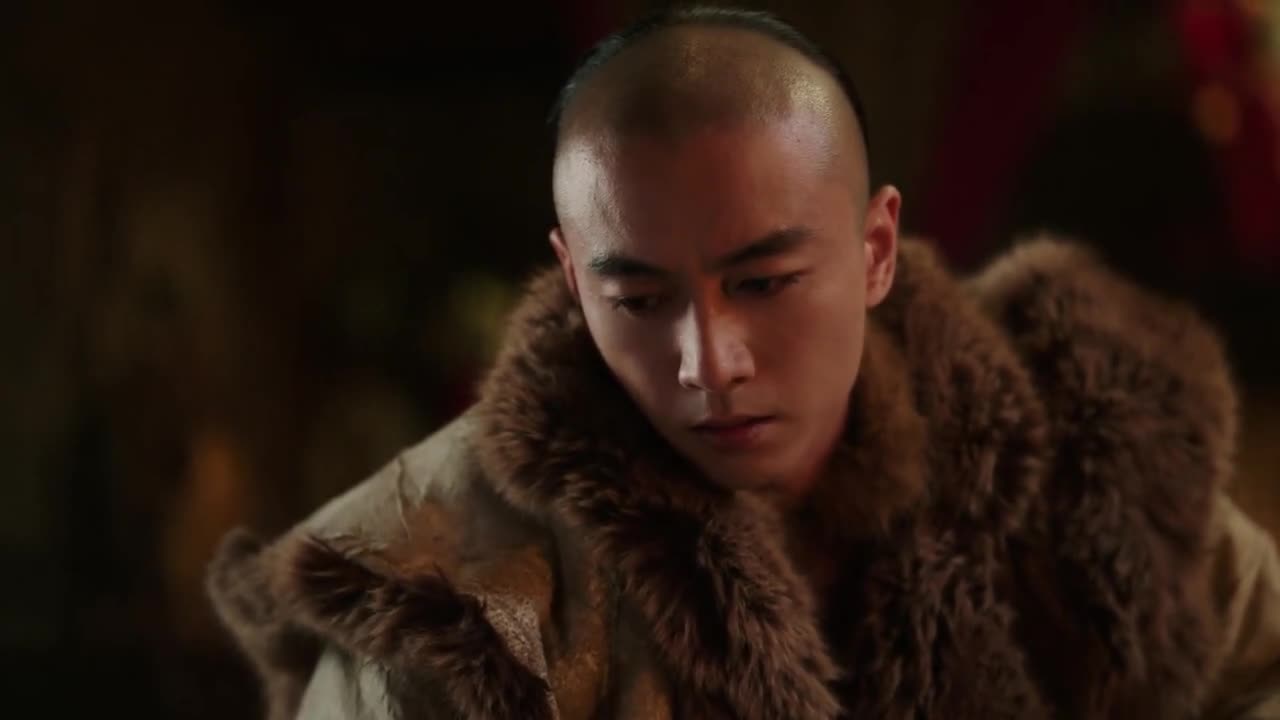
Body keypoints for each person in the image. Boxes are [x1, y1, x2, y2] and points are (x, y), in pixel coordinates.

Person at [206, 7, 1280, 719]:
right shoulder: (443, 604)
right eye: (639, 300)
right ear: (573, 281)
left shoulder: (1086, 456)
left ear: (873, 250)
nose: (707, 363)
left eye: (764, 283)